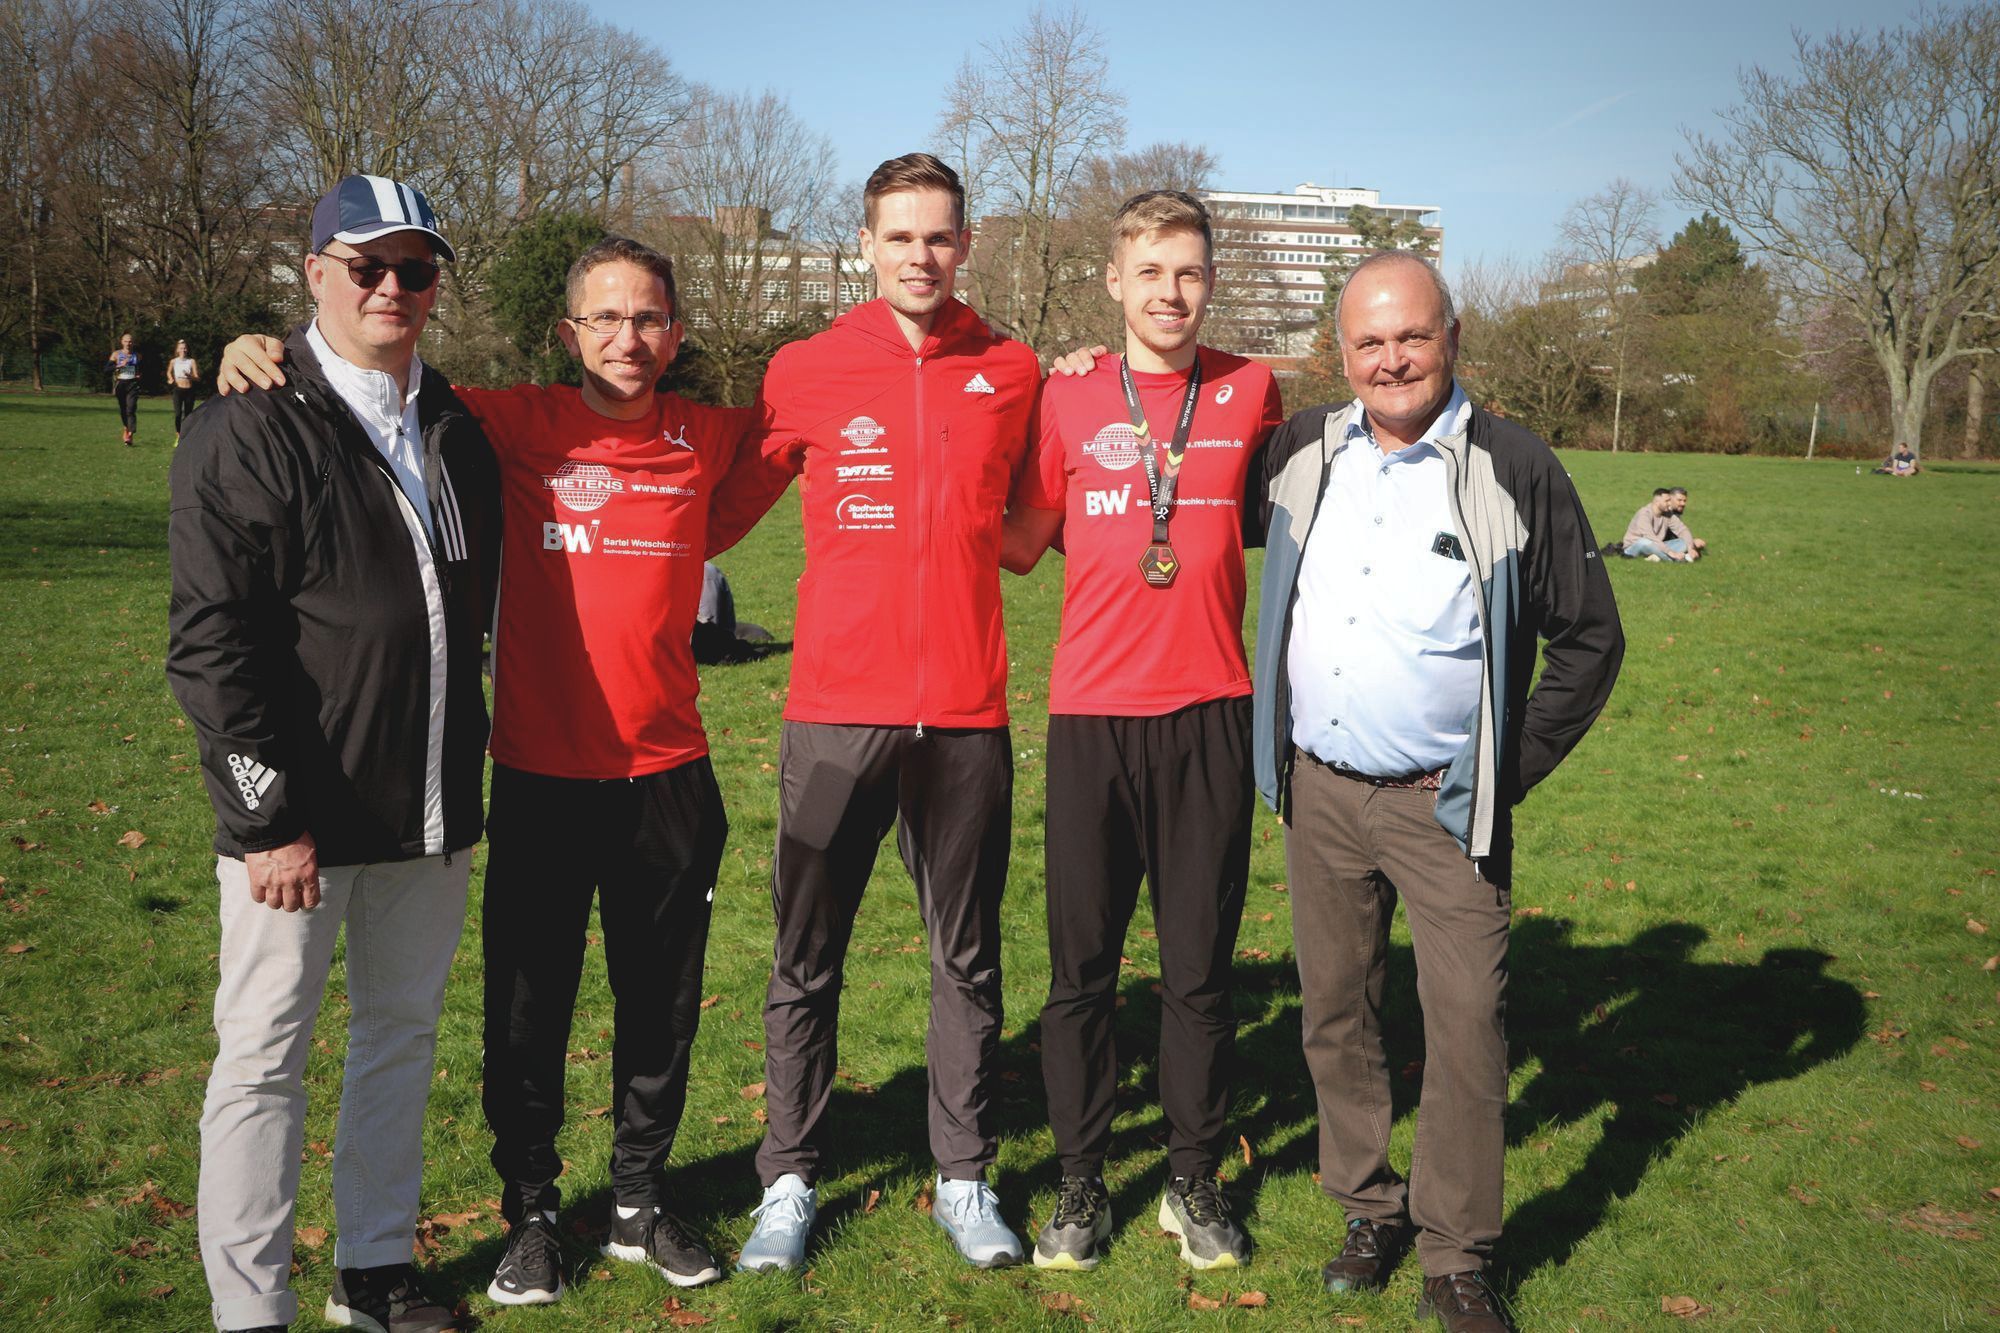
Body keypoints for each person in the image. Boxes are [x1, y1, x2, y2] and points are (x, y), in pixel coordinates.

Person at [216, 235, 781, 1308]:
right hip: (533, 774)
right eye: (605, 319)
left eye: (649, 318)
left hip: (668, 775)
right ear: (567, 334)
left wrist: (1061, 367)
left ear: (677, 332)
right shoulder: (505, 423)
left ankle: (636, 1198)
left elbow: (819, 407)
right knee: (529, 1010)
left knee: (657, 1006)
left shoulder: (703, 438)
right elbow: (367, 371)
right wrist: (265, 351)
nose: (628, 337)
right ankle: (528, 1211)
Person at [1251, 251, 1623, 1332]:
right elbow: (1185, 467)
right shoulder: (1303, 450)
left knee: (1464, 1024)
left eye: (1410, 336)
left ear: (1451, 336)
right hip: (1317, 791)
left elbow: (1589, 640)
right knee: (1335, 1010)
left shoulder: (1511, 464)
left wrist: (1496, 775)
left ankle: (1456, 1249)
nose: (1390, 359)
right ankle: (1367, 1205)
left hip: (1442, 804)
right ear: (1339, 352)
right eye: (1366, 343)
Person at [166, 174, 500, 1333]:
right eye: (367, 266)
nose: (393, 288)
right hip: (297, 822)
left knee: (398, 1040)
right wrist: (264, 820)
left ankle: (375, 1271)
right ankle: (250, 1305)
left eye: (415, 268)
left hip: (429, 811)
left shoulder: (457, 424)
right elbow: (212, 648)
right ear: (316, 275)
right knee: (261, 1059)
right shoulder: (250, 421)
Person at [731, 152, 1041, 1274]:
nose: (920, 255)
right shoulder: (805, 367)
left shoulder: (1011, 367)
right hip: (832, 710)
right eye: (899, 236)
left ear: (967, 243)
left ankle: (963, 1176)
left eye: (940, 236)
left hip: (964, 714)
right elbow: (719, 496)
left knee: (965, 956)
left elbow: (1031, 514)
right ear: (864, 243)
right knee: (804, 958)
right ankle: (788, 1179)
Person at [1000, 191, 1283, 1274]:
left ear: (1210, 283)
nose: (1170, 293)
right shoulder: (1066, 396)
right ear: (1112, 282)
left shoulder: (1250, 390)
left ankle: (1189, 1177)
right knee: (1080, 971)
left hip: (1210, 713)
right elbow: (1021, 541)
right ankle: (1079, 1181)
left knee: (1198, 971)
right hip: (1090, 721)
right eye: (1150, 272)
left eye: (1190, 273)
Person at [1620, 487, 1696, 562]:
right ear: (1657, 502)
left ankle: (1656, 556)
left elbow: (1682, 529)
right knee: (1644, 542)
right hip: (1633, 547)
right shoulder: (1644, 514)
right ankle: (1676, 560)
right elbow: (1650, 537)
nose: (1670, 503)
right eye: (1667, 501)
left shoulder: (1668, 514)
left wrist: (1690, 548)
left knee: (1684, 542)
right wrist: (1671, 552)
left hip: (1656, 545)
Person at [108, 333, 141, 444]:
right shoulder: (116, 354)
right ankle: (126, 428)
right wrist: (119, 365)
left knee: (131, 408)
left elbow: (140, 369)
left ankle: (130, 434)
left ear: (133, 343)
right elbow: (107, 369)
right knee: (123, 410)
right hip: (120, 384)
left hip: (132, 384)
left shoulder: (137, 355)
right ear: (122, 342)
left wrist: (138, 375)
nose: (128, 343)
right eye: (126, 341)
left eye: (130, 341)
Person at [169, 339, 201, 444]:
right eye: (181, 348)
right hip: (178, 390)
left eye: (185, 348)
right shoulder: (173, 361)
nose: (183, 350)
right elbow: (169, 372)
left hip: (189, 390)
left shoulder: (191, 361)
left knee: (188, 415)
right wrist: (170, 378)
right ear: (177, 350)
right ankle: (178, 434)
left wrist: (190, 376)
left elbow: (197, 377)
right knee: (178, 414)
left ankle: (186, 436)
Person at [1664, 487, 1706, 555]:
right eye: (1679, 500)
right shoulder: (1665, 514)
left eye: (1684, 501)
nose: (1683, 504)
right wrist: (1692, 542)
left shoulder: (1674, 513)